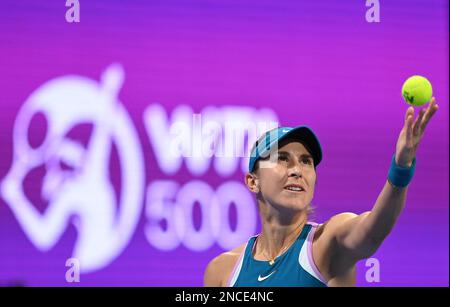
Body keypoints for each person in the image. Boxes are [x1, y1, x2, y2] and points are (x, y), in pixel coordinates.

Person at [203, 98, 439, 287]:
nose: (297, 170)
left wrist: (401, 168)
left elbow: (373, 230)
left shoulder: (328, 241)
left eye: (306, 161)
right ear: (252, 182)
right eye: (282, 159)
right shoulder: (222, 271)